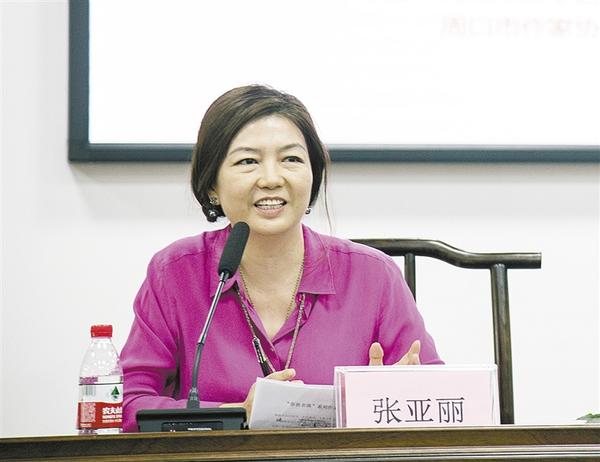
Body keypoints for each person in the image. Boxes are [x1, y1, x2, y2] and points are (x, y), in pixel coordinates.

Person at [121, 85, 442, 432]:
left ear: (313, 174)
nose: (272, 179)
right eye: (248, 161)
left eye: (291, 159)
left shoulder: (373, 275)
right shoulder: (175, 273)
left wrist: (396, 398)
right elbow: (126, 404)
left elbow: (439, 397)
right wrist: (235, 413)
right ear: (212, 184)